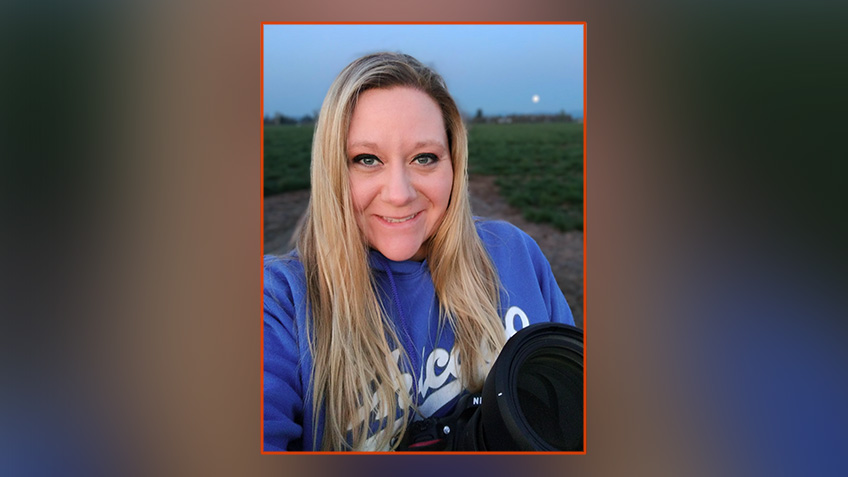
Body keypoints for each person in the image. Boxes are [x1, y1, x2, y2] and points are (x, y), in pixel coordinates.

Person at [264, 52, 575, 451]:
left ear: (453, 163)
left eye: (424, 158)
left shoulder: (514, 255)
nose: (399, 194)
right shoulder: (281, 304)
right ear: (332, 170)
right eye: (366, 159)